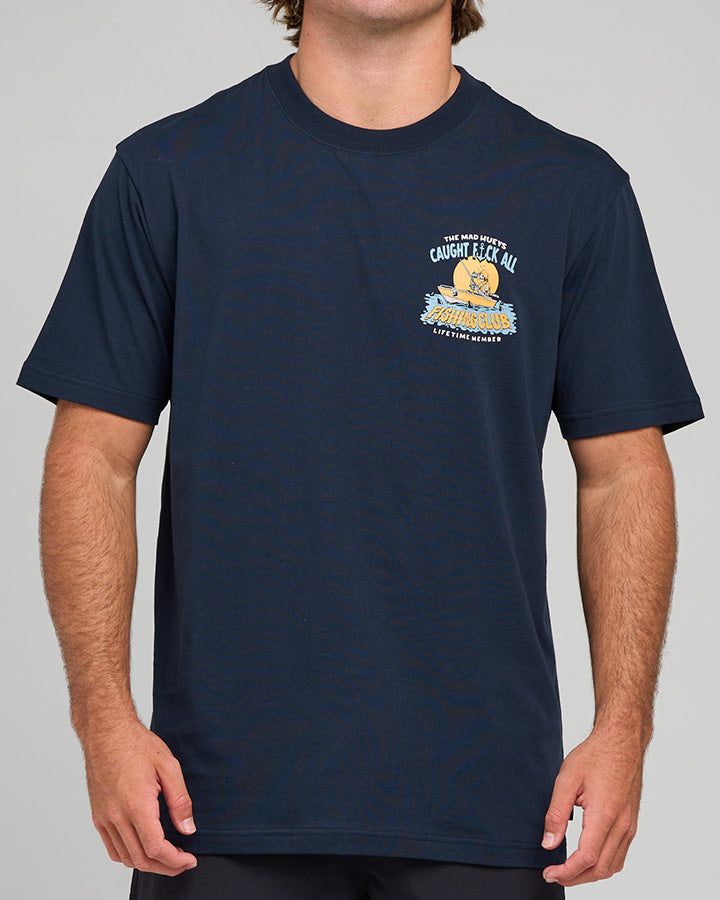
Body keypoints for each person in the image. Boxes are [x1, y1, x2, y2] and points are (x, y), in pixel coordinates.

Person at [15, 1, 705, 898]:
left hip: (488, 804)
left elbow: (621, 475)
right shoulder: (169, 173)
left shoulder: (570, 189)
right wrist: (101, 718)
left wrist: (625, 730)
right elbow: (94, 459)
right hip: (216, 802)